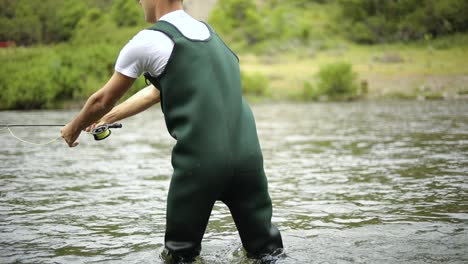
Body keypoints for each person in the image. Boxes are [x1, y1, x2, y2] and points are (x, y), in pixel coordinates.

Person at [61, 0, 283, 262]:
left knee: (179, 255)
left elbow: (101, 100)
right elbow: (156, 91)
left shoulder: (148, 40)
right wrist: (107, 118)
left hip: (201, 164)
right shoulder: (211, 35)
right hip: (249, 160)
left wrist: (73, 128)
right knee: (268, 253)